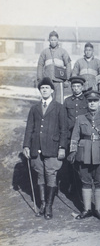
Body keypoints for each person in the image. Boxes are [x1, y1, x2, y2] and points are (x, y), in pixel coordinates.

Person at [67, 90, 100, 221]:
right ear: (87, 103)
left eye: (95, 101)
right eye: (90, 101)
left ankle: (98, 210)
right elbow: (75, 137)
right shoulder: (81, 119)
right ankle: (87, 209)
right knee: (85, 182)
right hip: (84, 154)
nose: (92, 103)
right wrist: (72, 151)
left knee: (99, 182)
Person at [23, 77, 68, 220]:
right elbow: (29, 129)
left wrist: (62, 147)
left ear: (52, 91)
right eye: (42, 88)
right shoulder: (34, 108)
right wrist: (26, 146)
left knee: (51, 174)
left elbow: (64, 130)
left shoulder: (59, 107)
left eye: (47, 88)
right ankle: (42, 204)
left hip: (53, 148)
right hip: (37, 148)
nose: (44, 90)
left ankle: (49, 206)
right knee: (40, 175)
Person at [63, 76, 89, 193]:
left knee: (83, 161)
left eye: (78, 86)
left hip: (83, 136)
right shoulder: (67, 101)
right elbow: (63, 118)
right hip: (70, 135)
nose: (76, 89)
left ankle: (83, 185)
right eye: (73, 86)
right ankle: (71, 184)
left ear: (82, 87)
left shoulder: (87, 100)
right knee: (71, 160)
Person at [37, 31, 71, 104]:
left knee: (59, 102)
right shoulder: (44, 52)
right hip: (48, 82)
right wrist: (40, 79)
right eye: (51, 40)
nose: (53, 42)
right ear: (49, 40)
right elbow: (40, 65)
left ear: (58, 40)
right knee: (48, 102)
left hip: (59, 82)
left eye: (55, 40)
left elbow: (68, 64)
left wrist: (67, 79)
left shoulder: (63, 52)